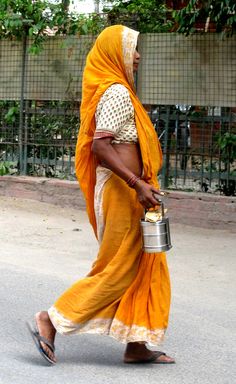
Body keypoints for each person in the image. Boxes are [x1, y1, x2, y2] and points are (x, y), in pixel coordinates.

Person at [27, 24, 175, 365]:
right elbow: (100, 145)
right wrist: (137, 184)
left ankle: (136, 343)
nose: (138, 55)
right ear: (115, 53)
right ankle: (50, 319)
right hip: (122, 191)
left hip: (130, 191)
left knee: (142, 266)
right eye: (132, 49)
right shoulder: (117, 93)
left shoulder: (122, 90)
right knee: (119, 268)